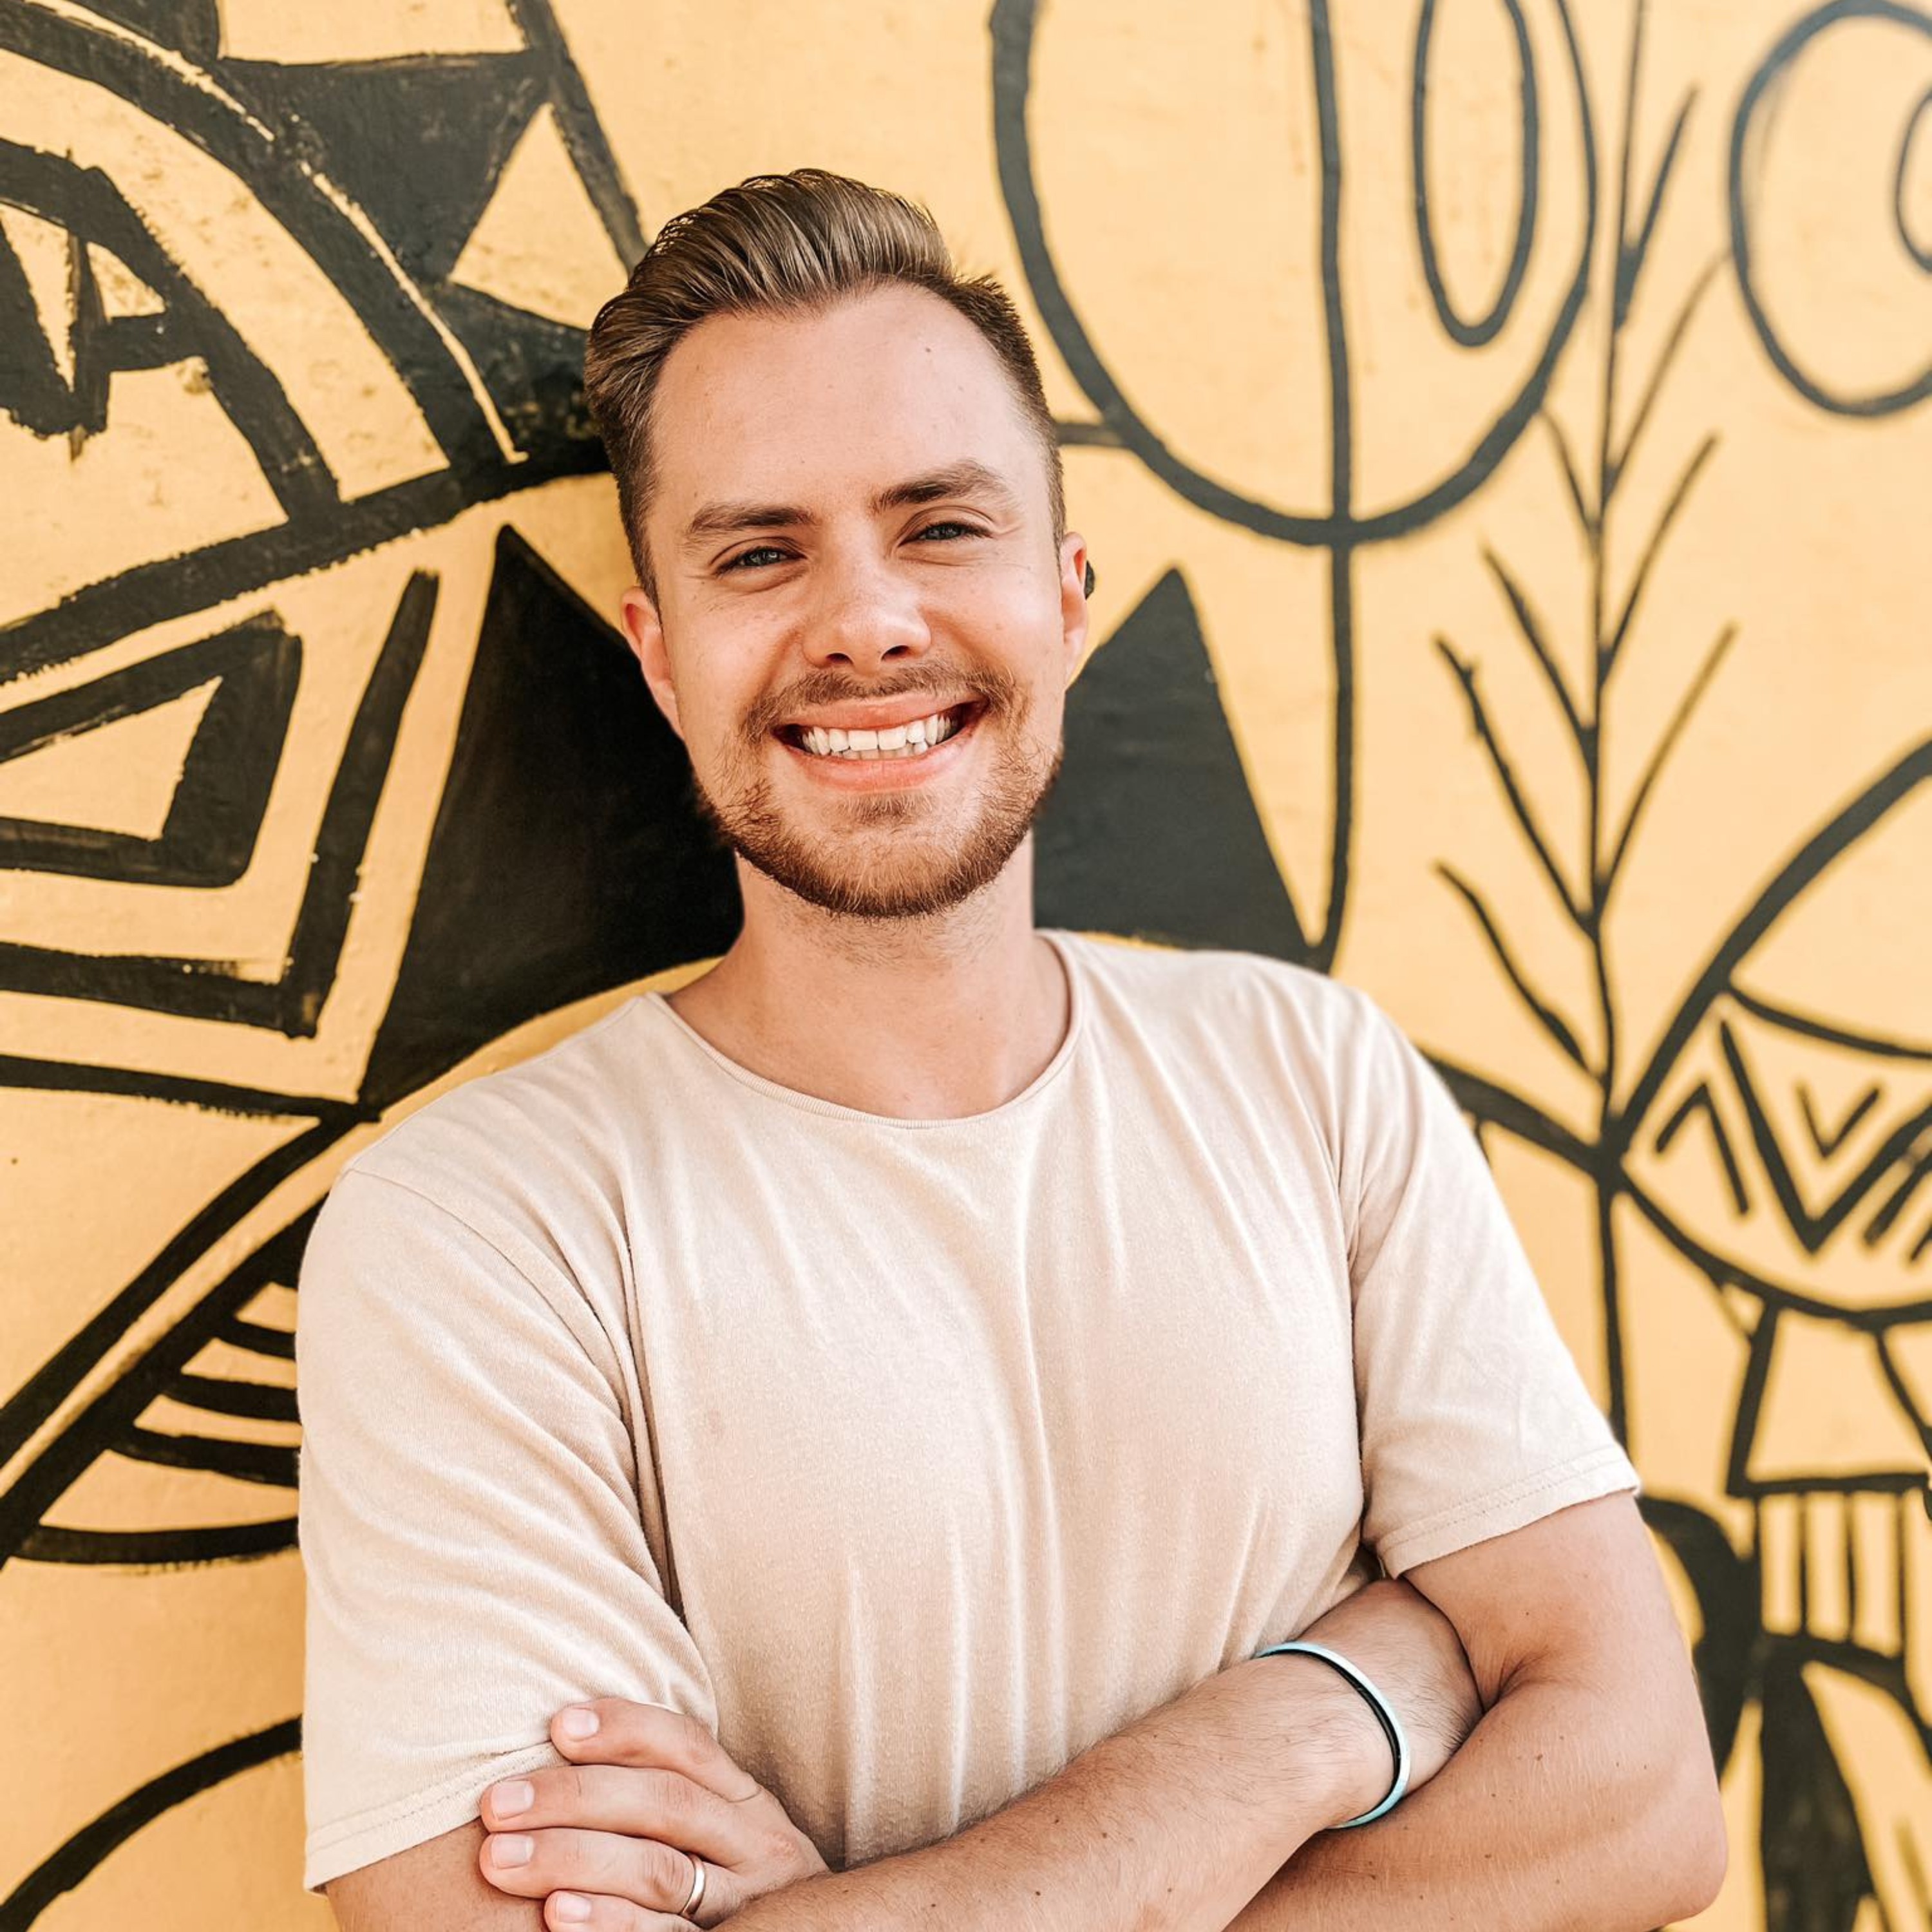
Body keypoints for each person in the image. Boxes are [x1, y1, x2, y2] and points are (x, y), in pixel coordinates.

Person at [296, 169, 1725, 1931]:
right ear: (658, 660)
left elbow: (1643, 1807)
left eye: (943, 527)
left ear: (1068, 598)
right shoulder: (476, 1235)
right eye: (761, 554)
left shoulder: (1312, 1078)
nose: (868, 621)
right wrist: (1316, 1717)